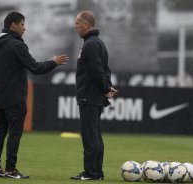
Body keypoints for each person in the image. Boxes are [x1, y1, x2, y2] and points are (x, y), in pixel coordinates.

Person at [0, 12, 68, 179]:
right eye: (22, 24)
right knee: (15, 133)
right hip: (15, 97)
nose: (25, 28)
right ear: (13, 25)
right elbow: (36, 68)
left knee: (0, 131)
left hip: (0, 95)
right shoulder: (16, 45)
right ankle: (10, 170)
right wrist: (54, 62)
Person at [70, 10, 118, 180]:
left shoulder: (90, 44)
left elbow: (98, 71)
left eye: (77, 23)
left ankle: (92, 173)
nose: (75, 26)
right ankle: (95, 172)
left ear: (86, 25)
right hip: (93, 96)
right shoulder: (98, 43)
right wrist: (107, 87)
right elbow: (105, 69)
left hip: (89, 96)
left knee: (90, 136)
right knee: (94, 135)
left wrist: (106, 88)